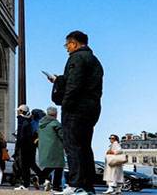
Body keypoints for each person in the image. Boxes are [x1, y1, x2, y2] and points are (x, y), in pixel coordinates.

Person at [50, 31, 103, 195]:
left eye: (67, 45)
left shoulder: (76, 58)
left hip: (76, 107)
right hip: (92, 107)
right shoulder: (95, 60)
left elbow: (74, 83)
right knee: (85, 147)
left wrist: (65, 103)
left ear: (74, 43)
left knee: (72, 145)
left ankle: (75, 184)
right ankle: (87, 187)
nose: (66, 49)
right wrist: (59, 80)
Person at [15, 105, 43, 190]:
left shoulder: (22, 120)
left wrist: (18, 147)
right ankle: (45, 179)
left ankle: (26, 185)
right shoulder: (31, 120)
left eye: (18, 110)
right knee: (31, 164)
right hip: (32, 146)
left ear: (21, 111)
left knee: (25, 166)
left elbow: (21, 135)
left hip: (24, 146)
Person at [38, 107, 66, 192]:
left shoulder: (41, 124)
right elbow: (62, 136)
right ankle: (56, 186)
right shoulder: (55, 123)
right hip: (56, 148)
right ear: (56, 114)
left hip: (44, 148)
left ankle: (40, 178)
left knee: (50, 166)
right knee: (59, 166)